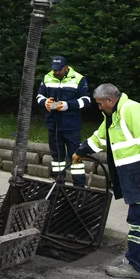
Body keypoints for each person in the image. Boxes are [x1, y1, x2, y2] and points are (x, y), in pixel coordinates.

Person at [73, 83, 140, 279]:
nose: (99, 107)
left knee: (138, 220)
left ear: (110, 100)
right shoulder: (113, 115)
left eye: (100, 103)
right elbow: (100, 138)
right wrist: (81, 151)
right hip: (138, 174)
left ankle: (135, 266)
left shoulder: (131, 110)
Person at [36, 55, 91, 186]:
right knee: (57, 159)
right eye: (54, 70)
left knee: (76, 157)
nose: (56, 72)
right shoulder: (47, 77)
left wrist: (68, 105)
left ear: (66, 68)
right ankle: (59, 184)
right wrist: (45, 102)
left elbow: (87, 100)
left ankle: (79, 187)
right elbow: (39, 96)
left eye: (59, 70)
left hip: (71, 126)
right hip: (53, 125)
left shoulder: (79, 79)